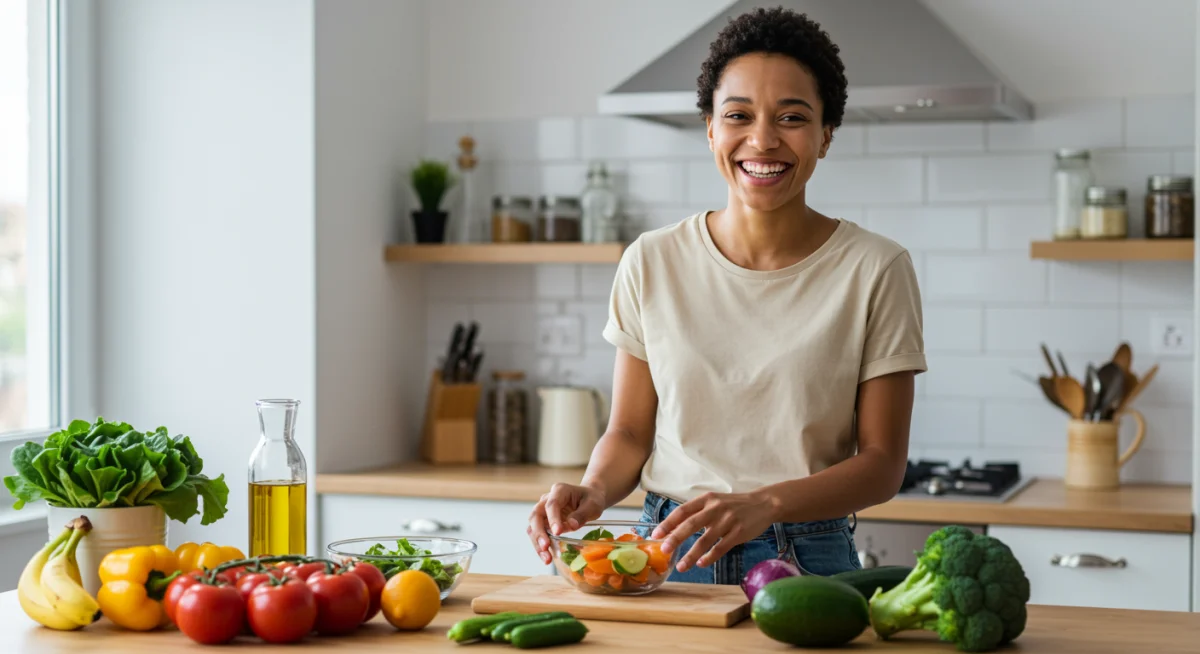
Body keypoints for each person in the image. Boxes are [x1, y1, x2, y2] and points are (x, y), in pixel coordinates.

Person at [527, 7, 926, 585]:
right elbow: (629, 434)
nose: (762, 139)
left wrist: (766, 503)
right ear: (711, 128)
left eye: (792, 117)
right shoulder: (651, 260)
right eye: (738, 115)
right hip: (664, 554)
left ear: (825, 136)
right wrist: (592, 490)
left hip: (805, 559)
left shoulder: (876, 268)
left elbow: (883, 465)